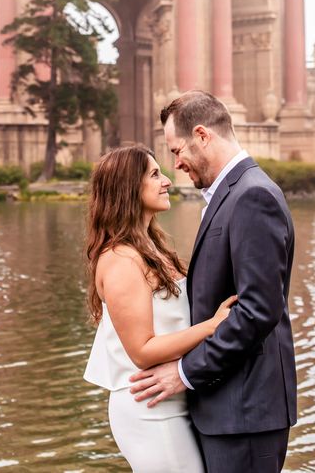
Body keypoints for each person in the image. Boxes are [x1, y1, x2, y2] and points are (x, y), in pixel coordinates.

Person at [129, 90, 297, 473]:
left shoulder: (253, 197)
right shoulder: (231, 194)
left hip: (246, 413)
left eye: (176, 150)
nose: (176, 164)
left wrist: (185, 373)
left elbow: (257, 311)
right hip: (228, 410)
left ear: (203, 135)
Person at [83, 144, 237, 473]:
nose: (167, 181)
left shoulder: (152, 247)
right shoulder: (120, 260)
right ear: (128, 188)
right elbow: (142, 350)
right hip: (150, 410)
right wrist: (212, 326)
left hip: (174, 399)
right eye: (154, 174)